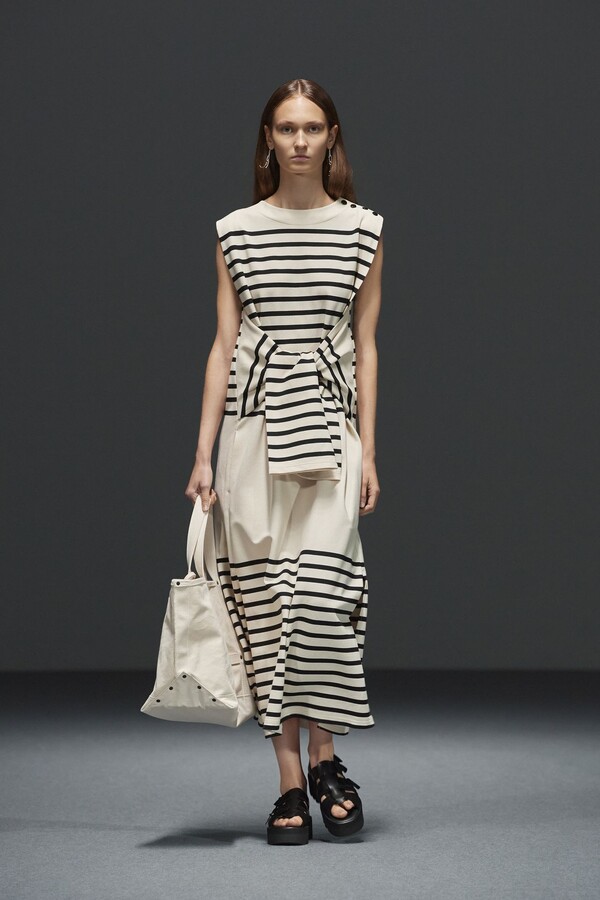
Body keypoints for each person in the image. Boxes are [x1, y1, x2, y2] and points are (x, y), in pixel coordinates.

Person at [185, 78, 383, 845]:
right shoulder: (235, 231)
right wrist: (203, 452)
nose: (300, 141)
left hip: (329, 435)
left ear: (332, 137)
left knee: (322, 599)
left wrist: (370, 449)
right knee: (268, 607)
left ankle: (327, 758)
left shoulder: (362, 230)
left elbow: (365, 346)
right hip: (251, 435)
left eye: (313, 127)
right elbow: (223, 345)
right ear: (268, 138)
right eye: (286, 128)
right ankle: (291, 783)